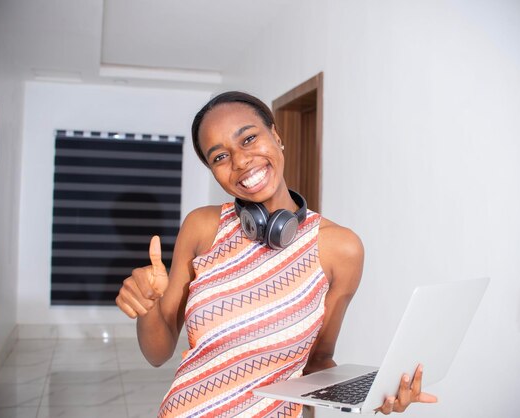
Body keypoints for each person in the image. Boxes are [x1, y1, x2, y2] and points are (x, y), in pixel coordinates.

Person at [116, 91, 437, 417]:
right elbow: (157, 353)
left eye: (249, 138)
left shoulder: (340, 248)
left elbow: (318, 362)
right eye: (219, 157)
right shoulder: (202, 226)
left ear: (276, 135)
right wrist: (149, 307)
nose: (240, 161)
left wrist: (374, 393)